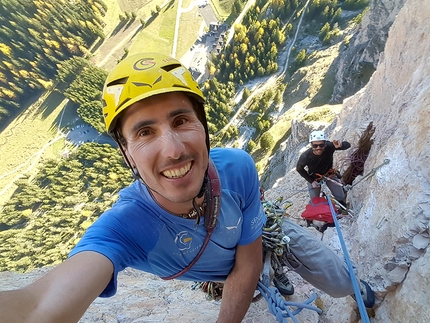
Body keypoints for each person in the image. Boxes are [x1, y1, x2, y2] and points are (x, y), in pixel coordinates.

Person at [0, 53, 374, 323]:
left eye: (181, 120)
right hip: (227, 265)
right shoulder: (125, 228)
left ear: (203, 129)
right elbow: (38, 307)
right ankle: (274, 279)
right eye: (145, 132)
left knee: (339, 283)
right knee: (256, 277)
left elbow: (246, 259)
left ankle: (364, 290)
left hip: (261, 236)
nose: (174, 150)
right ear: (126, 152)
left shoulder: (237, 167)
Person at [296, 130, 351, 206]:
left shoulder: (329, 146)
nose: (318, 148)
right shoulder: (305, 156)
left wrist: (341, 146)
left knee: (340, 197)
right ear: (311, 145)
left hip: (329, 174)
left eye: (321, 145)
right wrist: (311, 181)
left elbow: (348, 145)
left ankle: (339, 204)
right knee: (315, 201)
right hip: (314, 178)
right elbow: (299, 169)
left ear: (325, 144)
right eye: (315, 146)